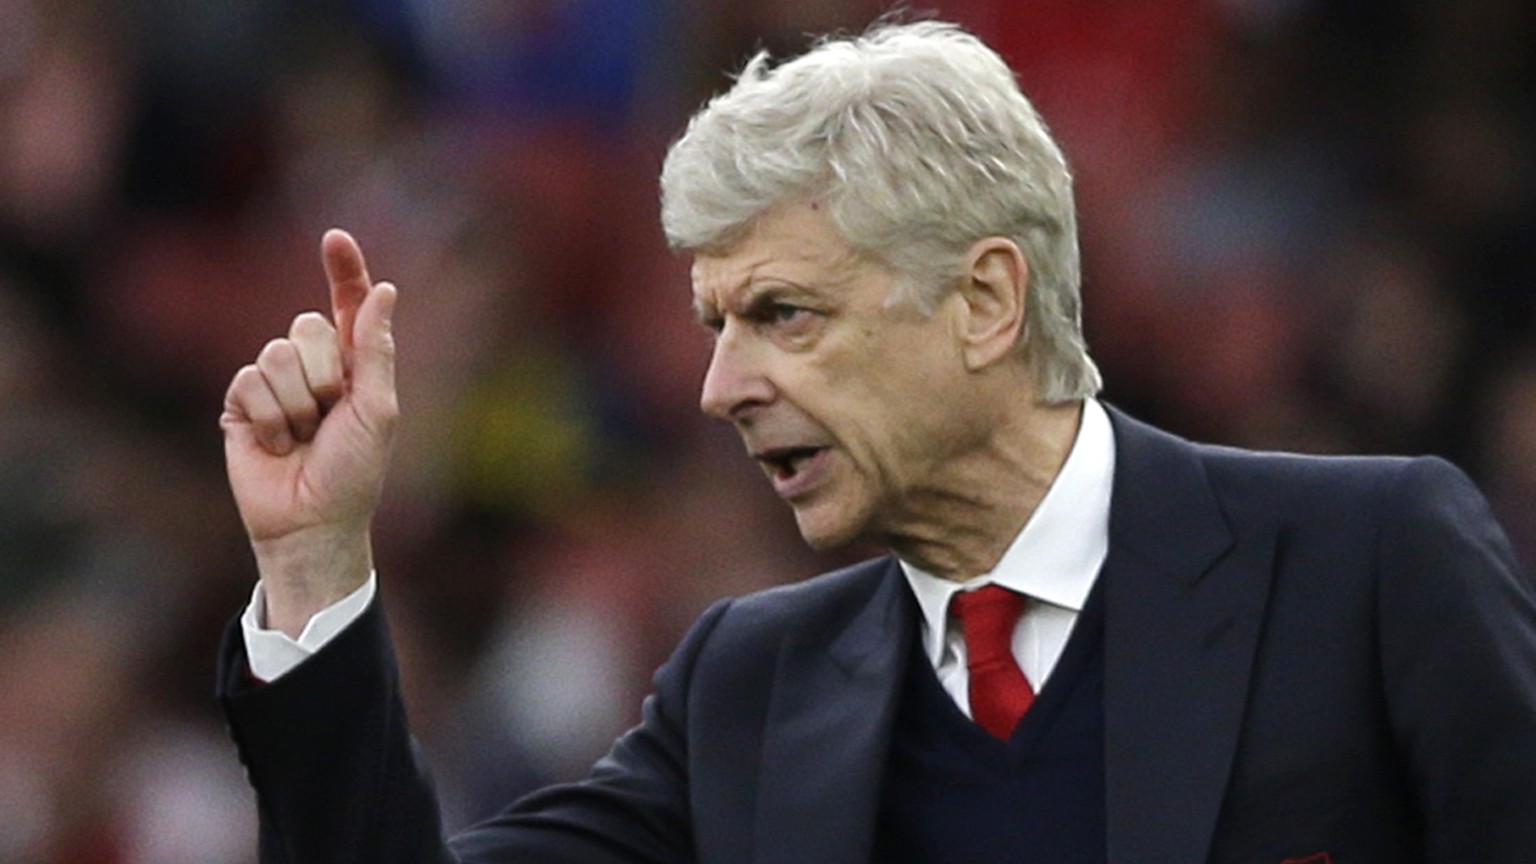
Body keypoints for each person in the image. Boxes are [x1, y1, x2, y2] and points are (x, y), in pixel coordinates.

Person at [216, 20, 1536, 864]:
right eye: (717, 326)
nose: (720, 387)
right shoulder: (749, 683)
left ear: (985, 301)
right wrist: (316, 566)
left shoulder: (1370, 564)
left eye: (784, 315)